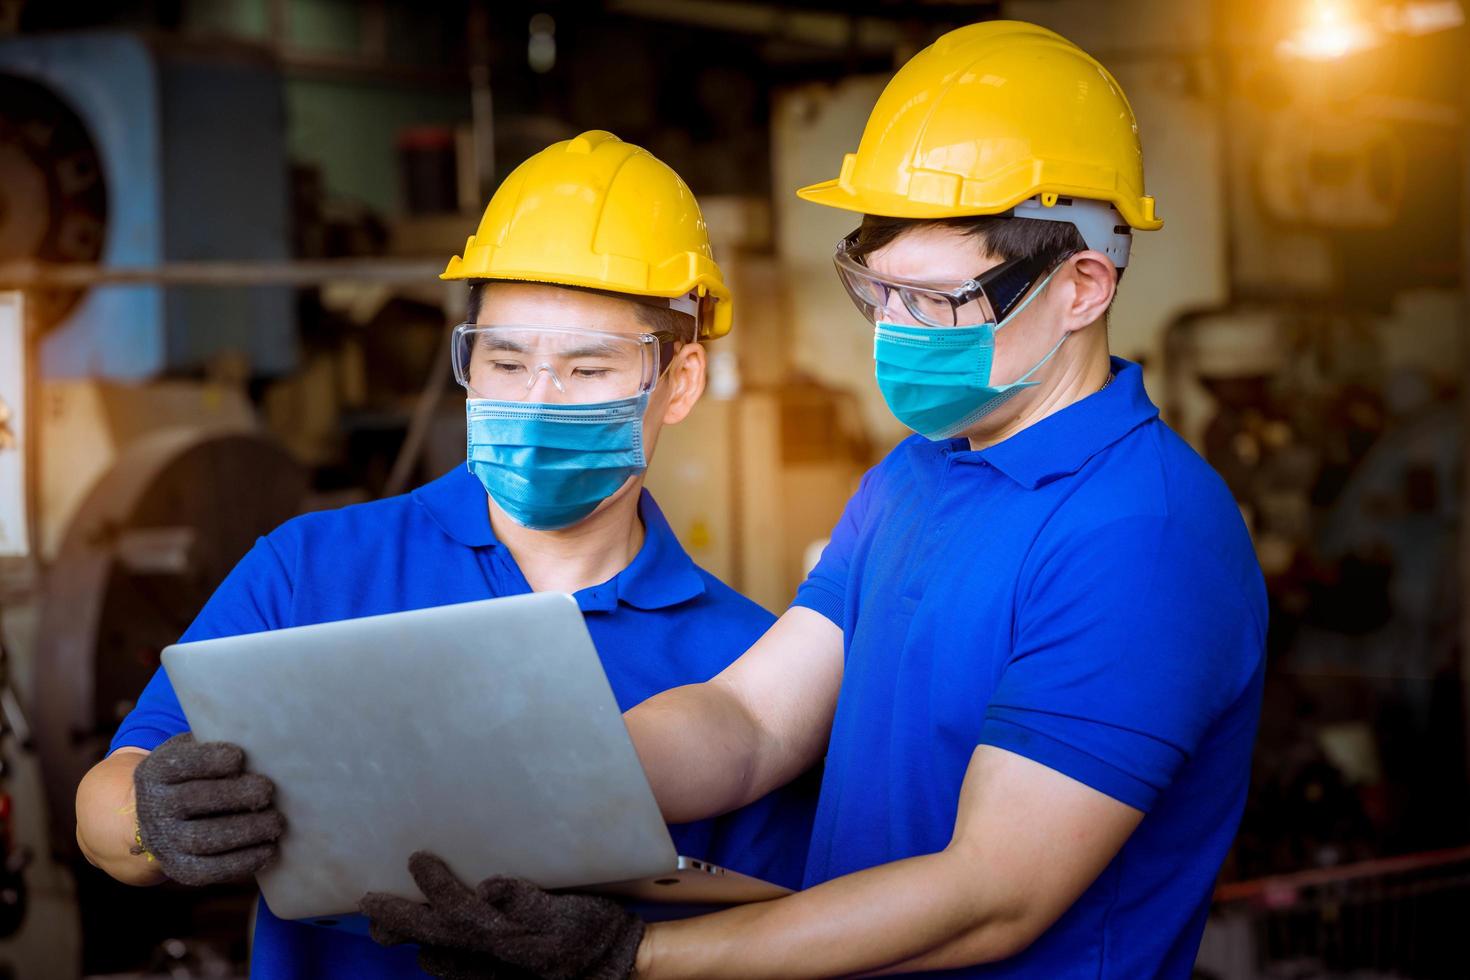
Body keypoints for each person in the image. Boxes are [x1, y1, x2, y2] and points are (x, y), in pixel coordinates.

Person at [360, 21, 1267, 979]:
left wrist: (639, 958)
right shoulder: (918, 476)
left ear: (1083, 283)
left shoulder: (1143, 536)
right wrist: (527, 778)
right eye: (878, 293)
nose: (895, 332)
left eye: (937, 303)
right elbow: (750, 724)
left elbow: (990, 897)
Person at [73, 130, 815, 979]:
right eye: (503, 360)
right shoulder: (313, 567)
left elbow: (773, 929)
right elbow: (104, 817)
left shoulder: (753, 667)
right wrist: (149, 815)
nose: (536, 400)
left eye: (585, 369)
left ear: (677, 383)